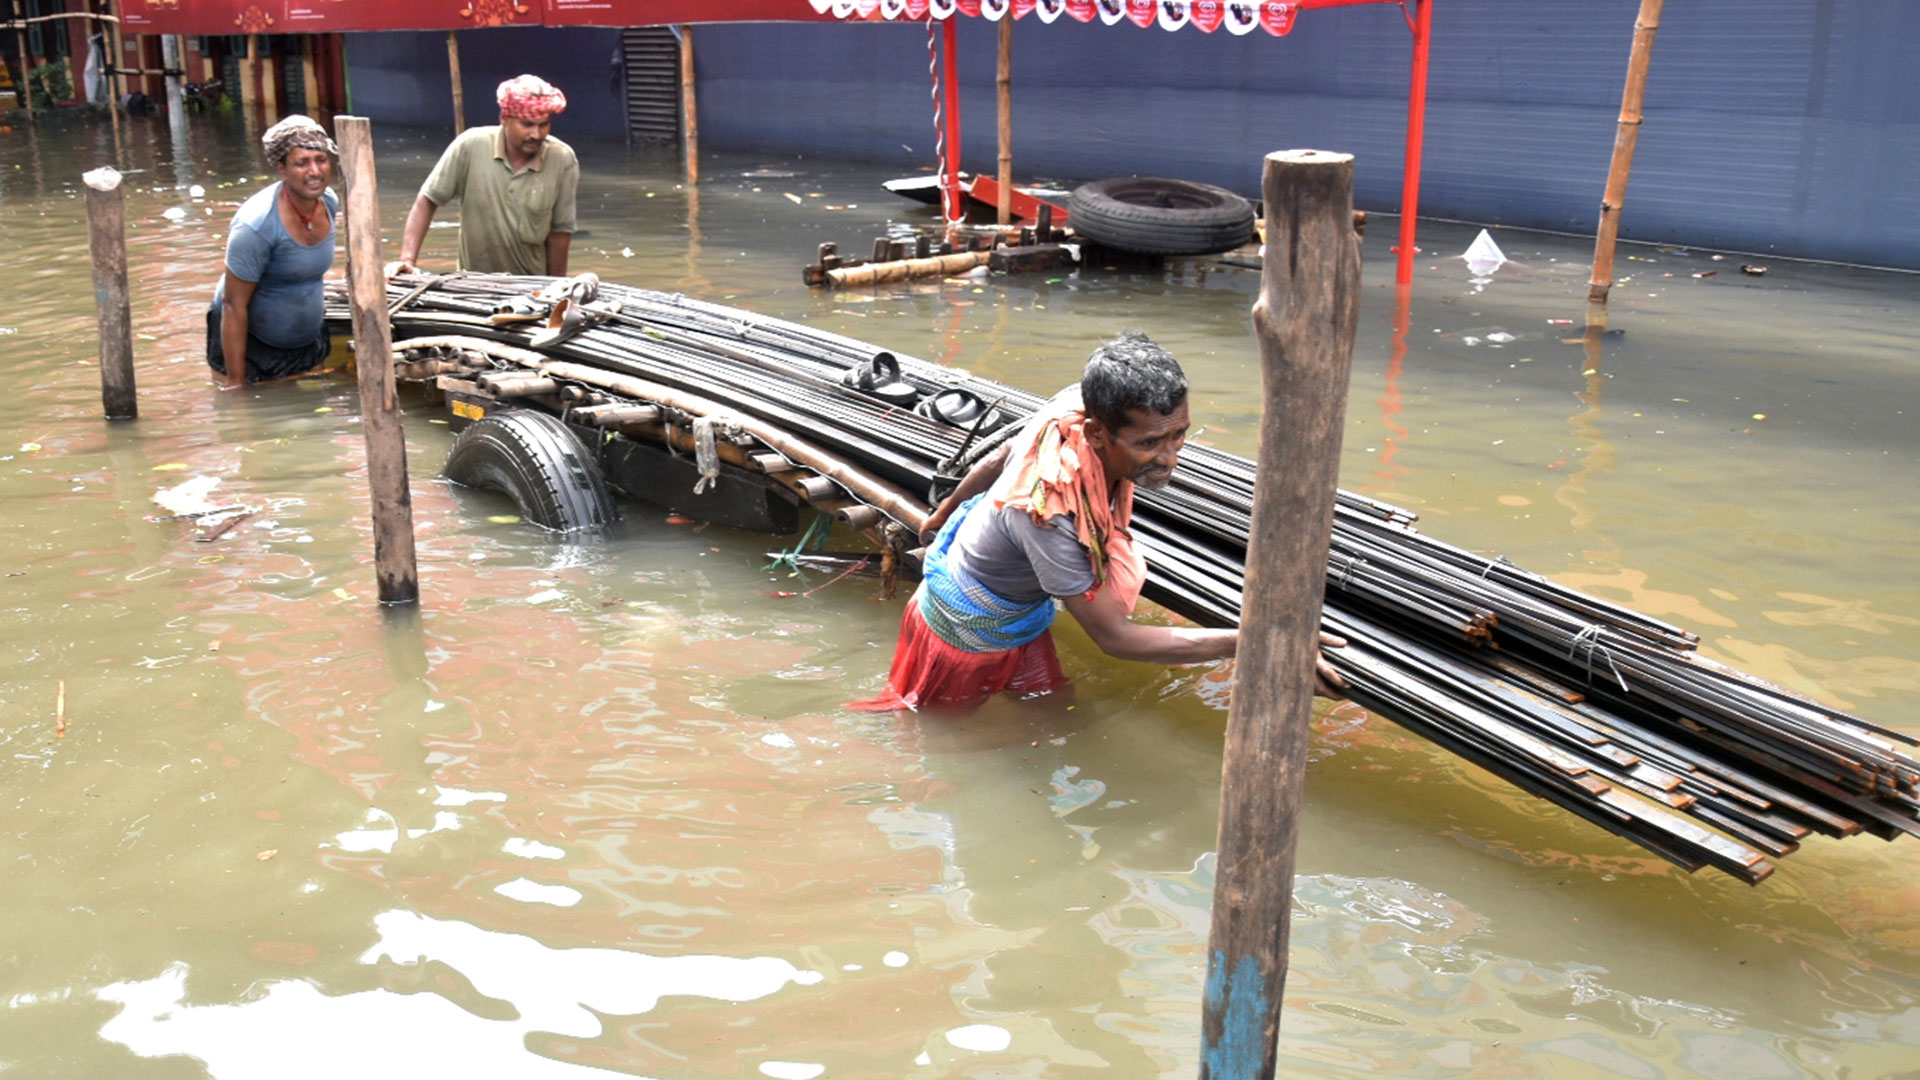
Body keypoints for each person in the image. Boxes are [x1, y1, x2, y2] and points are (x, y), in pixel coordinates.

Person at [853, 331, 1345, 712]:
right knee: (943, 740)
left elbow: (1005, 452)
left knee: (1053, 710)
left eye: (1178, 436)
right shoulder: (1048, 517)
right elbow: (1115, 639)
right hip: (965, 633)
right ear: (1095, 433)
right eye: (1149, 444)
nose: (1170, 458)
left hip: (1019, 617)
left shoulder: (1075, 401)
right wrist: (1255, 642)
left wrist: (943, 512)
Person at [386, 74, 578, 278]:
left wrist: (557, 289)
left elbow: (559, 235)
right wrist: (408, 260)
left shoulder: (562, 160)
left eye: (544, 125)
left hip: (529, 285)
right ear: (504, 119)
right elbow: (428, 200)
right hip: (473, 284)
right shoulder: (470, 145)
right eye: (527, 124)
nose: (536, 134)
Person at [207, 115, 340, 390]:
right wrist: (236, 382)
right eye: (302, 163)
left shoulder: (328, 202)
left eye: (321, 159)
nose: (315, 171)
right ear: (282, 168)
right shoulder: (256, 226)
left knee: (317, 424)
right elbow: (233, 305)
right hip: (252, 348)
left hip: (307, 342)